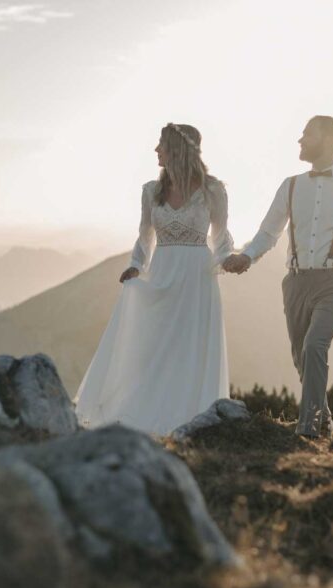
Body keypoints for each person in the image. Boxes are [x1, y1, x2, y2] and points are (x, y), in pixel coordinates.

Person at [223, 115, 333, 438]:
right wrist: (247, 257)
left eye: (306, 134)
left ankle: (308, 429)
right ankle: (324, 420)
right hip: (296, 283)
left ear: (326, 140)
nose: (299, 140)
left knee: (314, 346)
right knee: (302, 358)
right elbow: (268, 232)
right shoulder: (291, 186)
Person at [74, 123, 235, 435]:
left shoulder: (213, 191)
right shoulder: (151, 191)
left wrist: (227, 260)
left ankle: (190, 414)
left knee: (190, 346)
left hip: (197, 279)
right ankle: (145, 408)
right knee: (156, 345)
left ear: (178, 149)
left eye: (161, 144)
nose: (156, 150)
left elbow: (221, 235)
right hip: (162, 272)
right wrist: (136, 265)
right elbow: (145, 236)